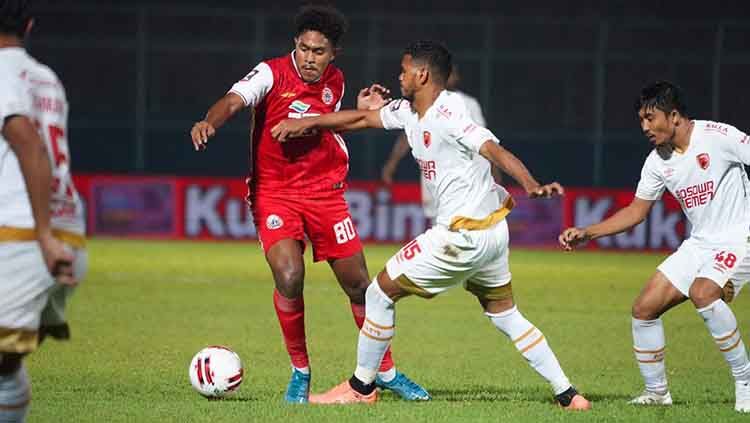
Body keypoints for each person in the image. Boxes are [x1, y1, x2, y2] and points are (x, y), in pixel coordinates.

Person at [271, 40, 591, 410]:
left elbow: (493, 149)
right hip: (492, 234)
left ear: (421, 74)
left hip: (462, 236)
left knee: (377, 294)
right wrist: (307, 122)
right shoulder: (410, 112)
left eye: (404, 70)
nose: (399, 76)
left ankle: (361, 389)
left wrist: (531, 184)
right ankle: (568, 394)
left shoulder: (450, 112)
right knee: (505, 314)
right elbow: (360, 119)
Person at [188, 5, 428, 403]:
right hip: (275, 191)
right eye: (304, 49)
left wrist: (360, 106)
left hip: (325, 193)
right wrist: (210, 121)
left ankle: (385, 372)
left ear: (333, 54)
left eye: (319, 51)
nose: (310, 58)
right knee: (289, 275)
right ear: (294, 46)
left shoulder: (336, 80)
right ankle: (300, 371)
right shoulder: (270, 73)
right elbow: (233, 100)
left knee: (359, 286)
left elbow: (329, 122)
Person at [559, 81, 750, 413]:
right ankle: (656, 391)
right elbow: (637, 211)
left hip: (740, 236)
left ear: (673, 116)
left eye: (651, 118)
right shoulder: (658, 161)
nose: (645, 128)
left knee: (703, 293)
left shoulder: (718, 137)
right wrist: (589, 232)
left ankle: (745, 380)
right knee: (644, 309)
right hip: (700, 243)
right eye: (641, 121)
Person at [0, 0, 87, 420]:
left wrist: (43, 235)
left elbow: (30, 145)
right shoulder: (45, 78)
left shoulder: (1, 72)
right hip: (68, 231)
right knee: (5, 365)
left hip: (26, 238)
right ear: (29, 25)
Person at [380, 64, 497, 221]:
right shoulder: (423, 102)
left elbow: (484, 141)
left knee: (458, 226)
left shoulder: (468, 104)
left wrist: (494, 171)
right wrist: (392, 163)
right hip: (432, 177)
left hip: (462, 178)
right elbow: (407, 135)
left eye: (451, 74)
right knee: (437, 223)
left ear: (456, 77)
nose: (448, 77)